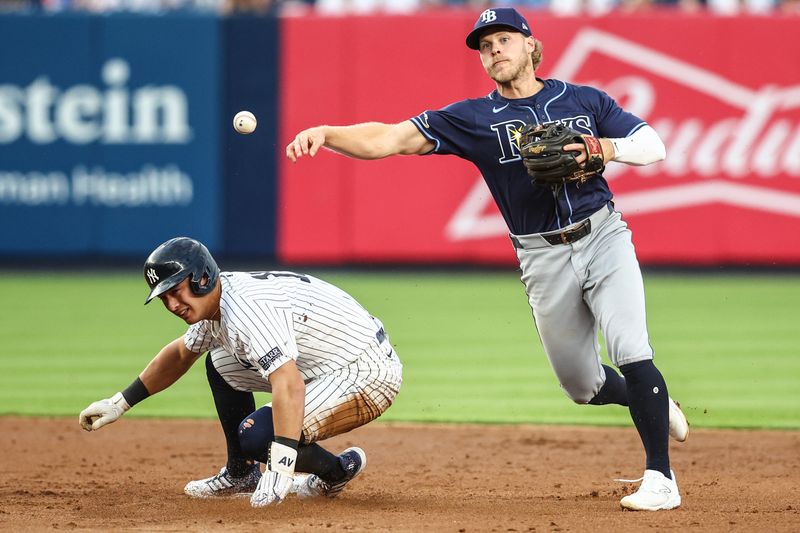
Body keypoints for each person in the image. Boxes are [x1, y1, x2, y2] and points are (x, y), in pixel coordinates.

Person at [285, 7, 688, 511]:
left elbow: (653, 146)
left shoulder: (583, 100)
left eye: (503, 39)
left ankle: (660, 478)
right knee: (582, 386)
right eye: (484, 45)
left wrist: (603, 147)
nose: (494, 49)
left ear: (529, 44)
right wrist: (329, 132)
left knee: (631, 347)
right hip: (541, 257)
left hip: (603, 235)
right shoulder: (475, 119)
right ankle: (647, 399)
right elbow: (391, 137)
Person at [79, 237, 402, 508]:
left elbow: (289, 384)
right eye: (164, 298)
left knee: (259, 435)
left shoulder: (247, 311)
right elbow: (180, 354)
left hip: (364, 372)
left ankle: (335, 472)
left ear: (202, 277)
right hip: (325, 362)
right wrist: (120, 402)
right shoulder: (218, 301)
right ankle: (241, 473)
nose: (172, 305)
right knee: (220, 362)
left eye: (176, 291)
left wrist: (281, 466)